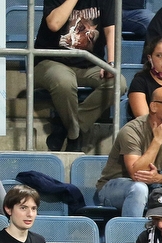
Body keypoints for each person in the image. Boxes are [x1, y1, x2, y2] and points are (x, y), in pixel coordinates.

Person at [95, 86, 162, 222]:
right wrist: (157, 140)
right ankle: (131, 238)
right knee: (139, 189)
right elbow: (136, 173)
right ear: (153, 106)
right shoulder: (131, 130)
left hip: (151, 186)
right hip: (114, 187)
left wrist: (158, 178)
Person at [34, 0, 120, 152]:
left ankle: (68, 124)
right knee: (65, 81)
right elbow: (54, 24)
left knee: (118, 83)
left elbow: (110, 30)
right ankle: (74, 135)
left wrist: (110, 63)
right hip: (51, 61)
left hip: (88, 63)